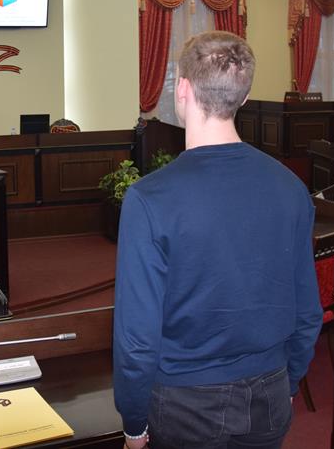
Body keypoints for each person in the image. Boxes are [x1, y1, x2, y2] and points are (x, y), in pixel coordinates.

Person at [113, 32, 322, 449]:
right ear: (243, 97)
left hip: (184, 399)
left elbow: (137, 337)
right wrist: (290, 381)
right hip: (270, 390)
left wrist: (134, 422)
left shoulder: (149, 198)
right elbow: (307, 309)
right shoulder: (290, 187)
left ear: (182, 89)